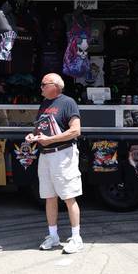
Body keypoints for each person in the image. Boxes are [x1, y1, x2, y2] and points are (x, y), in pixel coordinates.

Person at [25, 73, 84, 254]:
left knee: (68, 196)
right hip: (46, 155)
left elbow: (76, 131)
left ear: (55, 85)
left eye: (44, 84)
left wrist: (50, 140)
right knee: (49, 197)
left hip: (63, 154)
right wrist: (33, 136)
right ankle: (53, 235)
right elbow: (41, 129)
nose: (41, 87)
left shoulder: (68, 102)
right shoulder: (44, 104)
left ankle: (76, 237)